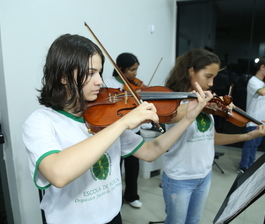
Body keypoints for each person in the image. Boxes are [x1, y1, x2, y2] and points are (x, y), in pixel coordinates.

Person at [22, 34, 212, 224]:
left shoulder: (105, 118)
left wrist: (187, 119)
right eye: (90, 73)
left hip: (113, 217)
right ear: (63, 77)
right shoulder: (41, 122)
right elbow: (58, 173)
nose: (99, 81)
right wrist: (122, 123)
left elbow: (150, 151)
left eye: (99, 72)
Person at [162, 48, 265, 224]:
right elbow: (174, 117)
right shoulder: (173, 103)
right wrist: (200, 103)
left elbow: (213, 138)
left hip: (204, 175)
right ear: (191, 71)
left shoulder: (208, 104)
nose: (211, 83)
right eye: (208, 76)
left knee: (194, 220)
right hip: (180, 177)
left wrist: (248, 137)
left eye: (214, 78)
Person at [103, 52, 151, 208]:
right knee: (114, 170)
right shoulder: (107, 83)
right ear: (120, 69)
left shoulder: (137, 85)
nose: (135, 73)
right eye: (131, 70)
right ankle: (114, 201)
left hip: (133, 133)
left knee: (132, 169)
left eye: (136, 69)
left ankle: (131, 196)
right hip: (115, 134)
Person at [238, 56, 265, 173]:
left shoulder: (262, 82)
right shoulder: (253, 81)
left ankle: (250, 166)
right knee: (250, 144)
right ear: (262, 67)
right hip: (253, 118)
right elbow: (262, 92)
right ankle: (243, 167)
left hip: (262, 120)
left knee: (255, 146)